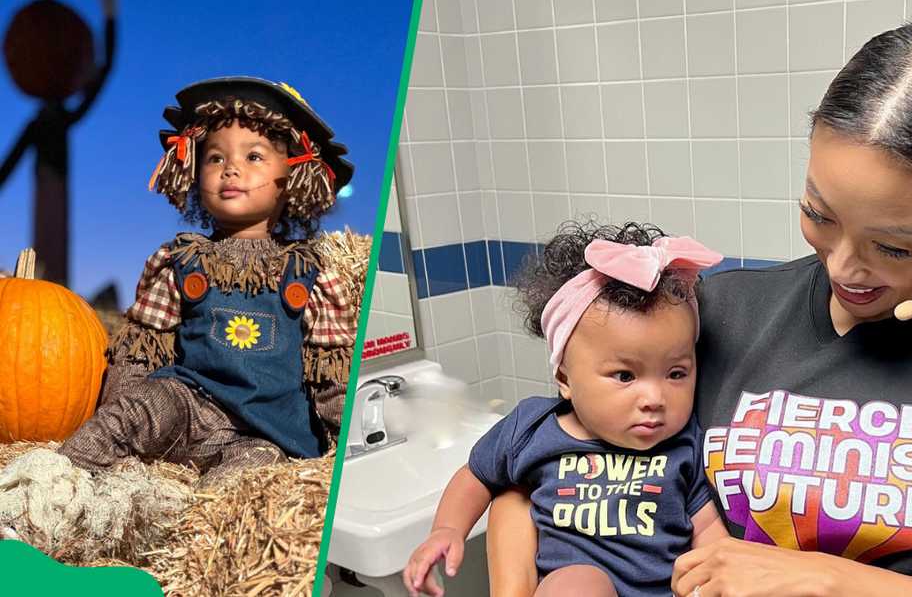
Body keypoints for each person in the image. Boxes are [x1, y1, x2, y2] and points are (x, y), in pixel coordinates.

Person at [488, 22, 912, 596]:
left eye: (894, 246)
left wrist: (832, 582)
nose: (843, 266)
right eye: (820, 215)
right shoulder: (718, 314)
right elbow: (549, 468)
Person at [53, 77, 358, 486]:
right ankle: (52, 485)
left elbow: (332, 378)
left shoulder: (311, 276)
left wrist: (346, 446)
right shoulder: (181, 261)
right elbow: (142, 351)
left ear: (294, 178)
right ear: (195, 173)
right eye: (215, 158)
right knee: (132, 415)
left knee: (250, 473)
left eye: (253, 157)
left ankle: (195, 519)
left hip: (260, 431)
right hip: (186, 404)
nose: (230, 168)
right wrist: (121, 409)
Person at [404, 222, 729, 597]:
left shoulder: (684, 444)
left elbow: (706, 529)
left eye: (676, 373)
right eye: (625, 375)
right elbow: (475, 477)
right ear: (565, 377)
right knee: (579, 584)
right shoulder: (533, 429)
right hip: (576, 584)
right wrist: (446, 530)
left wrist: (718, 574)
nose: (654, 397)